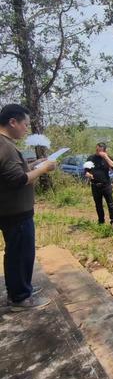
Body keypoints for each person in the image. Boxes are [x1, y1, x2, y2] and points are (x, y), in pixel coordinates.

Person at [0, 104, 57, 311]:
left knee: (18, 253)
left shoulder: (6, 144)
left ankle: (21, 288)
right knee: (19, 254)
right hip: (15, 212)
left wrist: (35, 164)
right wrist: (43, 169)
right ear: (13, 122)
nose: (26, 129)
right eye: (24, 124)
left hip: (13, 210)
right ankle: (20, 298)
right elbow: (17, 179)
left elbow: (15, 172)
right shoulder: (5, 146)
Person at [85, 142, 113, 226]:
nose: (98, 152)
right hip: (95, 185)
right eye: (97, 150)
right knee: (98, 205)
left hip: (106, 185)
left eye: (100, 150)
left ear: (104, 151)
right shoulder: (91, 158)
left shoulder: (107, 158)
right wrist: (88, 174)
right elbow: (86, 171)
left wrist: (106, 157)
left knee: (110, 204)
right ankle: (101, 221)